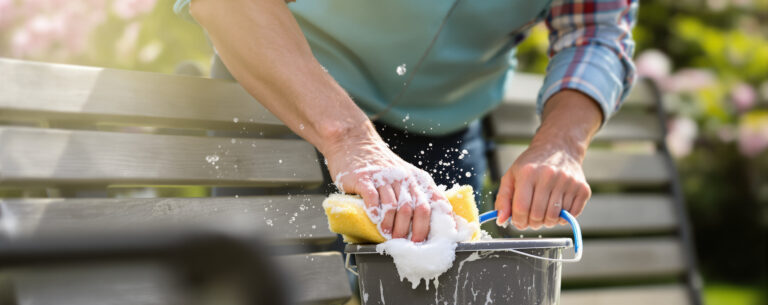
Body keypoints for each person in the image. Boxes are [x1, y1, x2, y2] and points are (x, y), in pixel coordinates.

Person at [175, 0, 637, 242]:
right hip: (289, 92)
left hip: (443, 125)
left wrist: (561, 144)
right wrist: (352, 140)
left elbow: (595, 32)